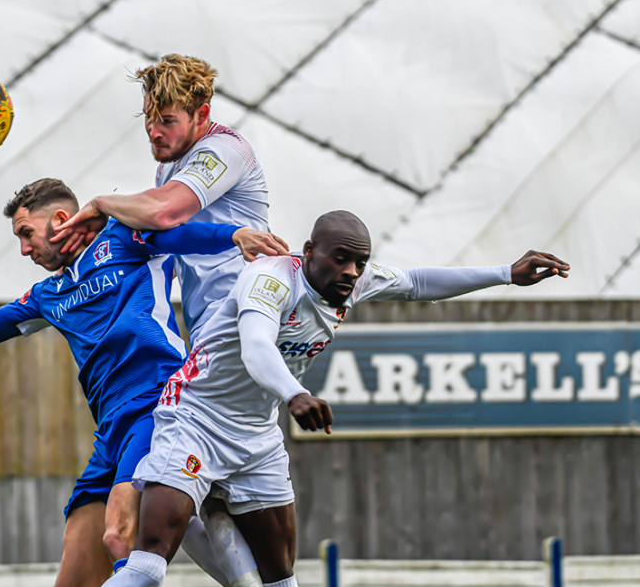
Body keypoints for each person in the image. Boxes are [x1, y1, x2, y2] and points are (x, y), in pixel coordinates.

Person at [0, 178, 285, 587]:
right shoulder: (48, 294)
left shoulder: (122, 239)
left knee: (119, 532)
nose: (25, 250)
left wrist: (233, 234)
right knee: (77, 575)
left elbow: (179, 232)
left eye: (26, 234)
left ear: (61, 220)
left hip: (158, 403)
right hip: (111, 430)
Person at [102, 210, 570, 587]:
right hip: (195, 421)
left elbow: (420, 283)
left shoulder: (355, 280)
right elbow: (256, 344)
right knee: (148, 568)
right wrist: (295, 393)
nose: (350, 272)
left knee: (281, 581)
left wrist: (506, 273)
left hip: (257, 438)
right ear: (308, 252)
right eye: (340, 259)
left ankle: (212, 508)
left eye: (359, 263)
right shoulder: (270, 280)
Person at [53, 54, 287, 344]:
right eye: (148, 118)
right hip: (210, 322)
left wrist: (101, 203)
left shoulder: (224, 150)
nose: (154, 132)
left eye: (167, 121)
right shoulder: (168, 170)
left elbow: (163, 211)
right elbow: (164, 250)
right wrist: (88, 266)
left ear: (201, 115)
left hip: (245, 312)